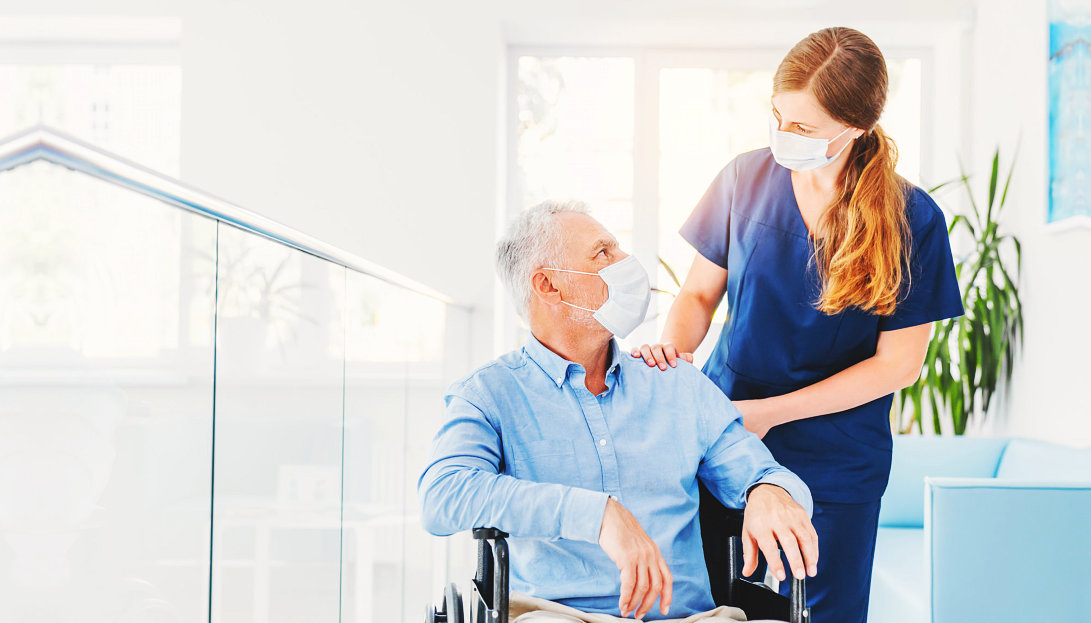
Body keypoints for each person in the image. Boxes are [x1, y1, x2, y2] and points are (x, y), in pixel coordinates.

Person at [631, 27, 964, 623]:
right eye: (779, 116)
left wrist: (768, 413)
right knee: (716, 608)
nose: (785, 136)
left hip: (834, 457)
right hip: (724, 436)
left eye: (804, 128)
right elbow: (699, 296)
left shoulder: (912, 219)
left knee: (818, 610)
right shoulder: (744, 179)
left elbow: (899, 364)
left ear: (856, 129)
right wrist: (669, 354)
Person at [418, 201, 818, 623]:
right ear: (549, 286)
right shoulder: (490, 393)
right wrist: (597, 515)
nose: (625, 262)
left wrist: (770, 491)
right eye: (603, 253)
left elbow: (760, 471)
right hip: (555, 615)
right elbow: (442, 495)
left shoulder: (675, 383)